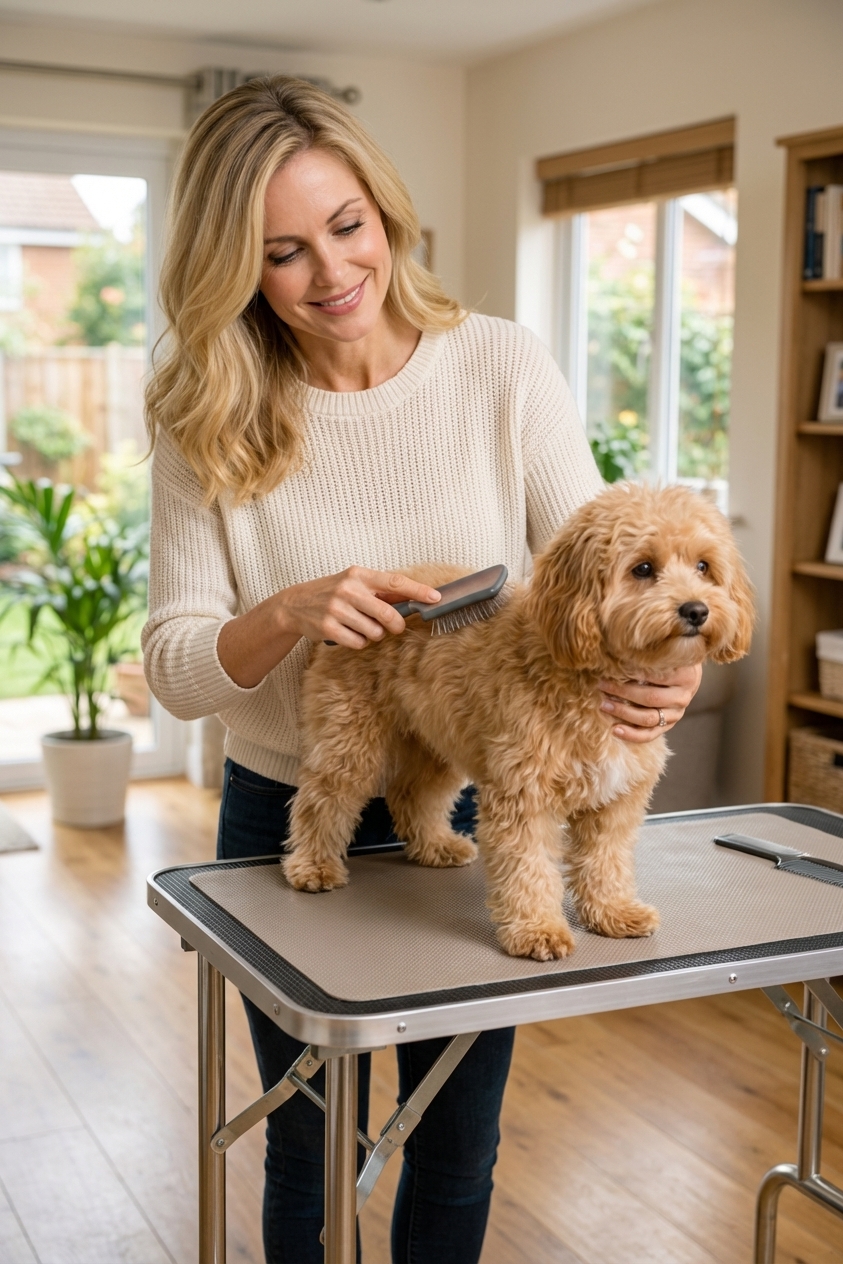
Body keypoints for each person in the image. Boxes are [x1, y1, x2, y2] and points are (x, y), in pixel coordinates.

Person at [142, 75, 701, 1264]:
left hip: (484, 798)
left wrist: (667, 673)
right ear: (234, 268)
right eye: (281, 252)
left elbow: (600, 571)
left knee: (459, 1140)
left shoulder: (501, 367)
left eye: (348, 226)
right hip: (290, 804)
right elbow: (178, 666)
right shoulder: (207, 413)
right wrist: (291, 609)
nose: (333, 272)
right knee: (309, 1140)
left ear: (385, 210)